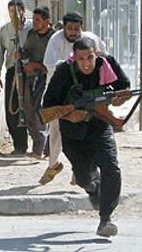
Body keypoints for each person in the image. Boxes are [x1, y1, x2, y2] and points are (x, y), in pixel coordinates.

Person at [43, 37, 130, 237]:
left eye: (90, 57)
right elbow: (47, 108)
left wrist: (118, 100)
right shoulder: (64, 72)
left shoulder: (107, 64)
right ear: (74, 58)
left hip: (99, 126)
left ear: (96, 54)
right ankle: (92, 188)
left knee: (111, 167)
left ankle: (106, 218)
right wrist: (68, 115)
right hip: (73, 135)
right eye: (81, 58)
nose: (86, 63)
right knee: (85, 178)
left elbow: (124, 88)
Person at [39, 12, 106, 185]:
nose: (73, 33)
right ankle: (53, 164)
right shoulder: (55, 40)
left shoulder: (90, 40)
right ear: (64, 28)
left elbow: (104, 59)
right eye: (70, 29)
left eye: (77, 29)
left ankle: (80, 170)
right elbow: (50, 65)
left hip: (84, 95)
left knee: (86, 133)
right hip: (60, 96)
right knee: (56, 132)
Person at [0, 0, 33, 155]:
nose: (14, 15)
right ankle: (19, 145)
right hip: (12, 72)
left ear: (23, 11)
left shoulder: (32, 28)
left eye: (17, 11)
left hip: (30, 71)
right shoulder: (5, 30)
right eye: (11, 12)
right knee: (13, 108)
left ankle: (39, 143)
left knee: (31, 106)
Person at [20, 6, 56, 159]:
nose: (34, 23)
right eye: (33, 19)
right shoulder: (31, 34)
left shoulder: (54, 38)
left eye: (37, 20)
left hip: (47, 78)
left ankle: (42, 148)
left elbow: (55, 62)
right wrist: (21, 53)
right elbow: (27, 51)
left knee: (40, 112)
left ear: (46, 21)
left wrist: (37, 66)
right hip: (31, 77)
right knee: (28, 110)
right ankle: (39, 146)